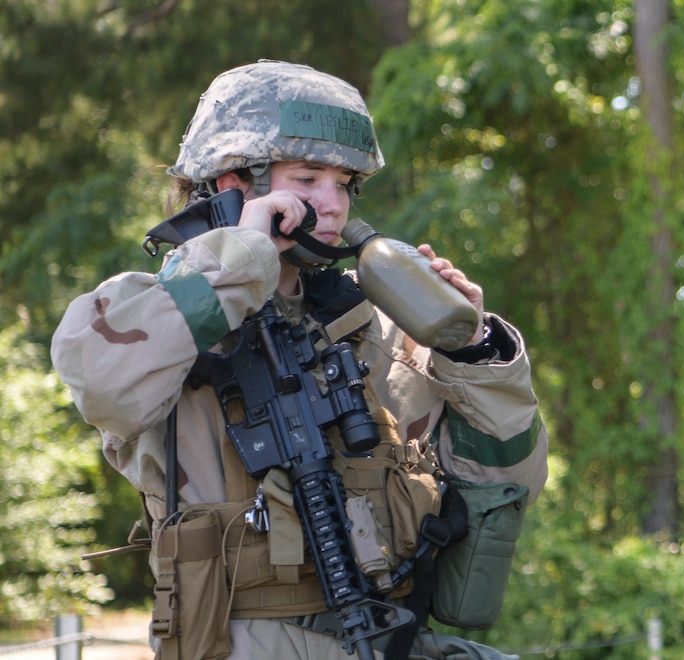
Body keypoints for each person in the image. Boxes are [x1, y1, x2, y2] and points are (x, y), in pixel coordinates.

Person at [51, 60, 548, 660]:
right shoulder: (157, 312)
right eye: (309, 179)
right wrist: (240, 261)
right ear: (236, 184)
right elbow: (101, 383)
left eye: (344, 184)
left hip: (390, 636)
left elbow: (508, 485)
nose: (333, 205)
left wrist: (472, 353)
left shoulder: (371, 324)